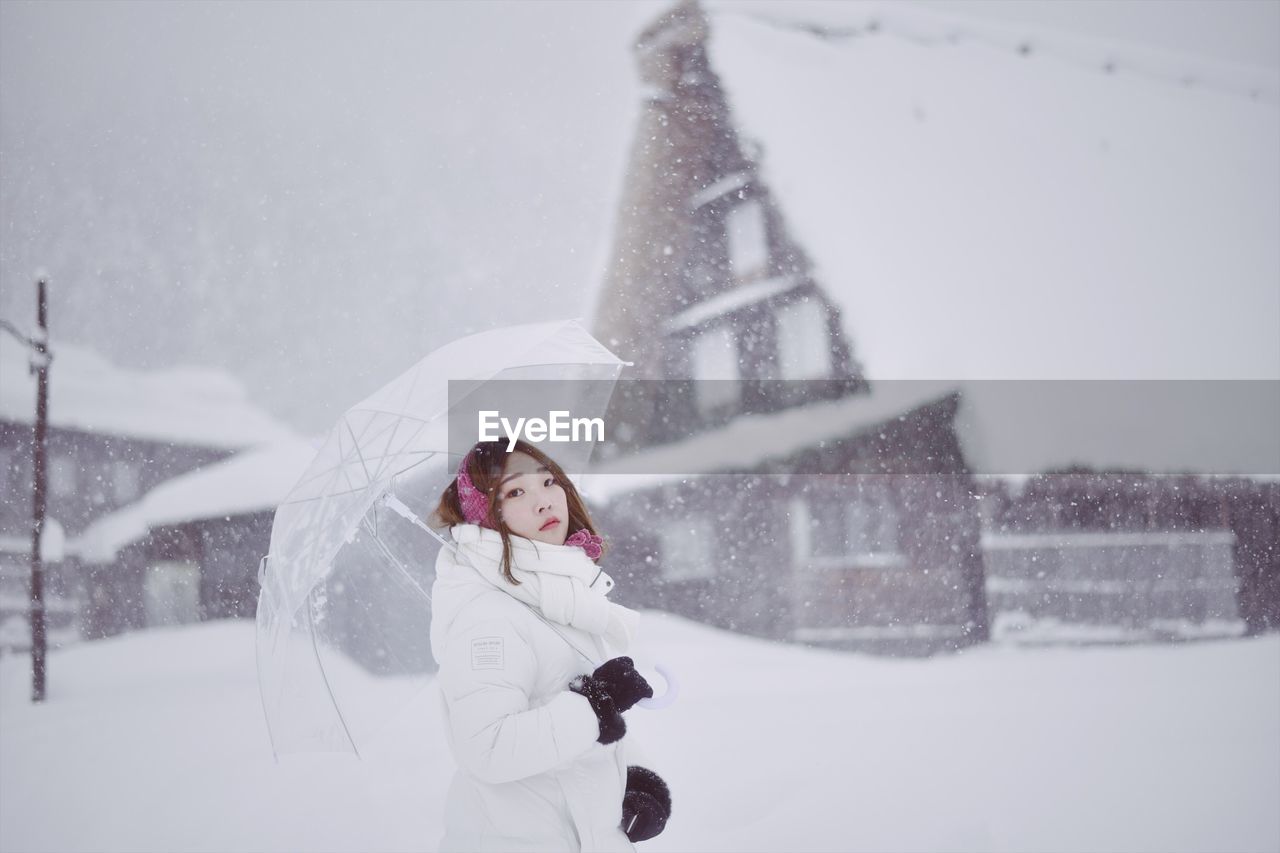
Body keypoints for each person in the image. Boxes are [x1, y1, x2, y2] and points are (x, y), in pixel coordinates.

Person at [429, 439, 673, 852]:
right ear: (488, 515)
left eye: (547, 482)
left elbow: (572, 726)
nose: (544, 502)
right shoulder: (489, 615)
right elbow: (486, 748)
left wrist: (635, 777)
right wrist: (596, 703)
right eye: (516, 491)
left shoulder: (556, 596)